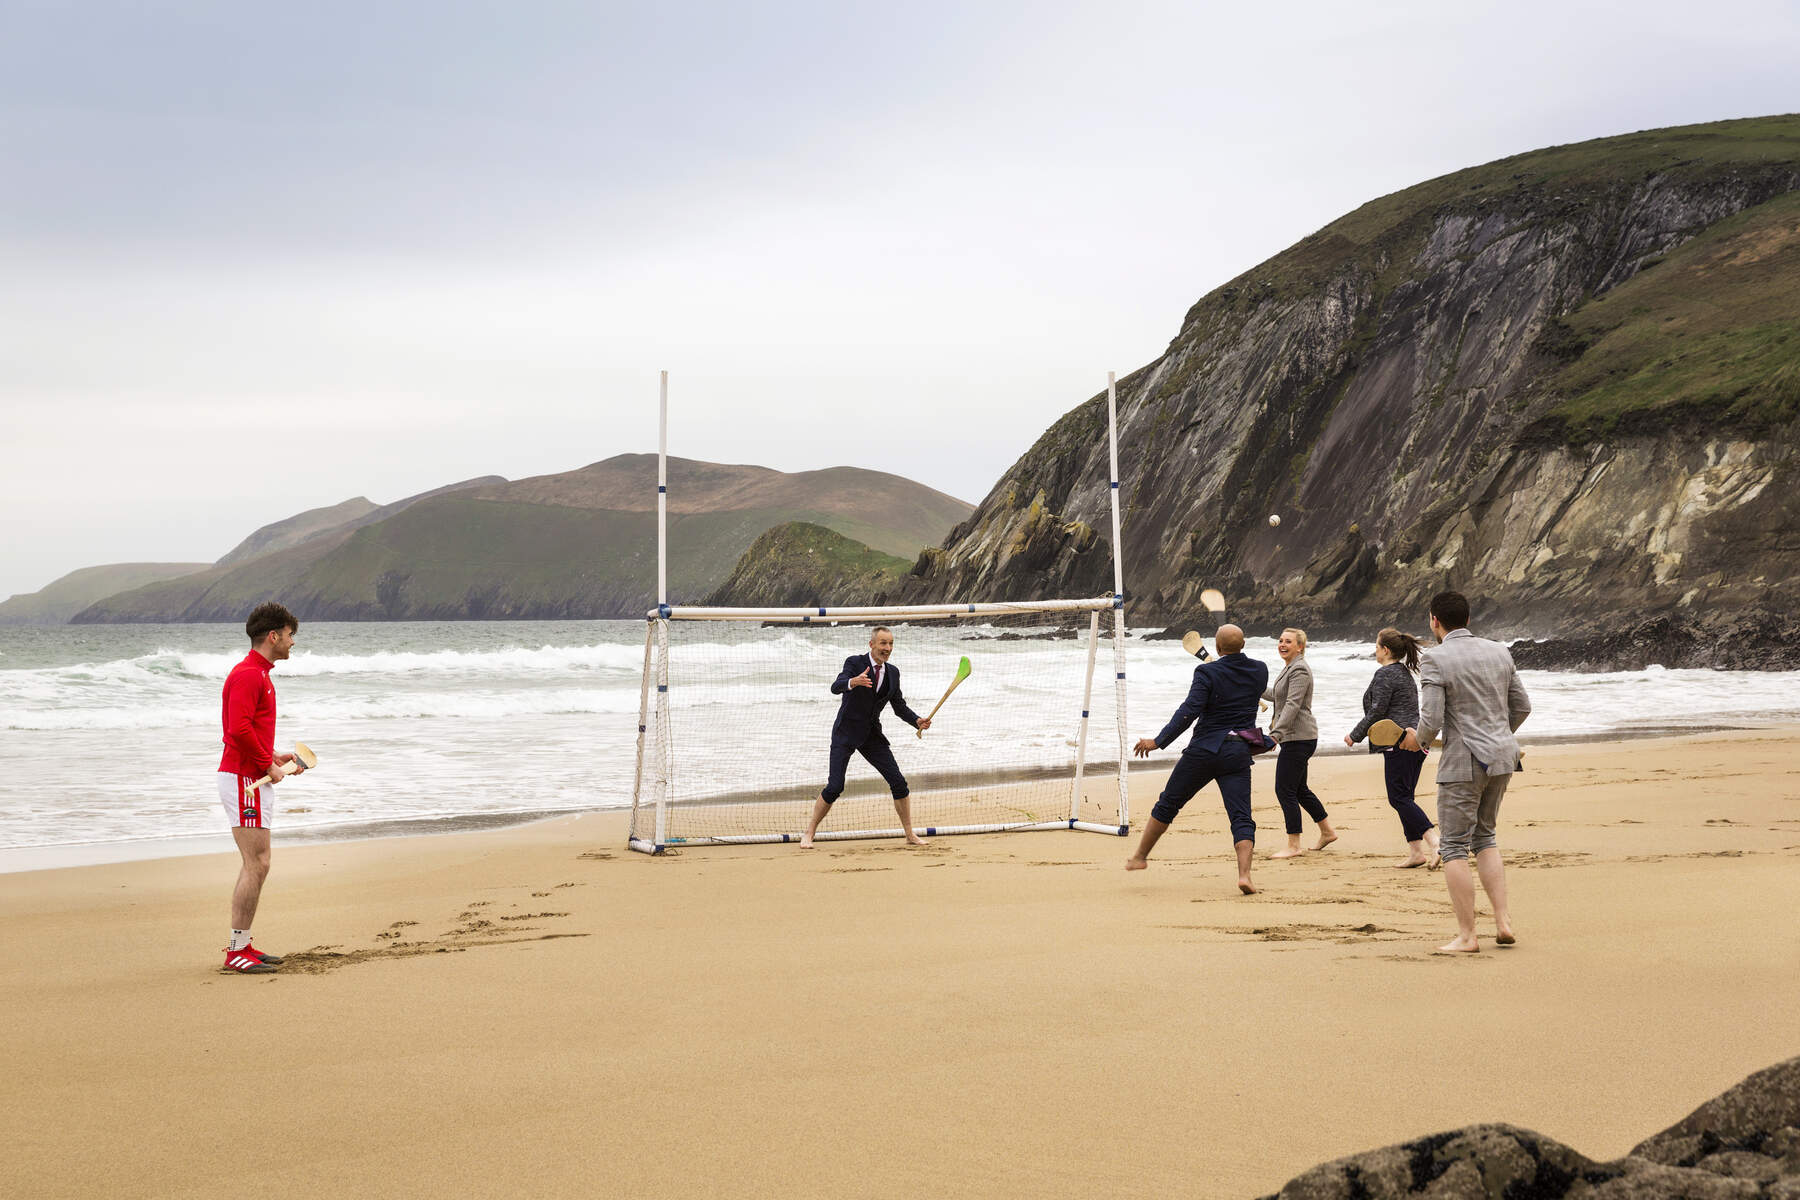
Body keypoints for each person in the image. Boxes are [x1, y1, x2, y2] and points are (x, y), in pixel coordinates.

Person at [1400, 592, 1532, 953]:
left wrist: (1418, 741)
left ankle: (1468, 936)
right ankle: (1503, 922)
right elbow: (1522, 706)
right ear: (1468, 618)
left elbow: (1432, 719)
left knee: (1455, 846)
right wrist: (1498, 734)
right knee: (1486, 837)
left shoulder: (1436, 658)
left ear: (1434, 621)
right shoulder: (1499, 651)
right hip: (1503, 756)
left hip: (1464, 761)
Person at [1126, 623, 1267, 894]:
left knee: (1168, 803)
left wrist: (1158, 741)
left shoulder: (1206, 671)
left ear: (1216, 648)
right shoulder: (1259, 670)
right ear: (1244, 645)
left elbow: (1189, 711)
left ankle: (1140, 857)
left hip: (1204, 750)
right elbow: (1241, 682)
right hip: (1238, 750)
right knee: (1241, 815)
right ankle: (1245, 875)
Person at [217, 601, 307, 974]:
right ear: (274, 636)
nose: (292, 643)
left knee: (257, 863)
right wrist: (266, 765)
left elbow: (247, 730)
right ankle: (236, 951)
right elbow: (235, 731)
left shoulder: (260, 674)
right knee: (258, 862)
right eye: (289, 636)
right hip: (244, 781)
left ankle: (243, 945)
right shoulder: (249, 675)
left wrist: (273, 754)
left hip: (249, 776)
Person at [800, 626, 931, 849]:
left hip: (872, 735)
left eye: (890, 644)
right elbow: (836, 686)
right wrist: (853, 682)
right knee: (835, 786)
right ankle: (809, 832)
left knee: (898, 783)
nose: (887, 648)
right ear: (872, 645)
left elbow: (898, 706)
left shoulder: (893, 673)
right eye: (883, 643)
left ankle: (909, 834)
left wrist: (916, 721)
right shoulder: (854, 663)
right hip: (846, 732)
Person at [1346, 627, 1440, 868]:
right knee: (1405, 797)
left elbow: (1377, 709)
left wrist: (1355, 735)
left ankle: (1435, 842)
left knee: (1398, 798)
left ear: (1385, 650)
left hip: (1398, 742)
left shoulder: (1386, 674)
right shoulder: (1405, 673)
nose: (1375, 651)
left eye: (1377, 647)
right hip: (1416, 740)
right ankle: (1416, 852)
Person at [1265, 627, 1337, 858]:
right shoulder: (1290, 668)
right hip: (1296, 737)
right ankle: (1327, 832)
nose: (1282, 644)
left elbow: (1292, 705)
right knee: (1299, 789)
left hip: (1300, 737)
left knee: (1284, 789)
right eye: (1280, 640)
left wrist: (1276, 733)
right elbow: (1279, 696)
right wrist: (1250, 686)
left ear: (1300, 646)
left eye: (1288, 641)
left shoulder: (1300, 670)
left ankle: (1294, 845)